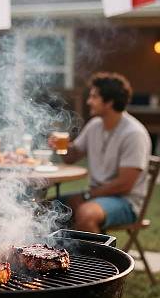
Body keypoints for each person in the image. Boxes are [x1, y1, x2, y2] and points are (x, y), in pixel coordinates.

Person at [50, 72, 151, 233]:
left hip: (125, 201)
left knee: (86, 213)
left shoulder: (134, 133)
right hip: (96, 195)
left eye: (94, 97)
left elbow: (125, 184)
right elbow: (71, 157)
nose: (89, 102)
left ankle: (97, 258)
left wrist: (87, 196)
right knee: (48, 207)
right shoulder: (95, 125)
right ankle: (56, 254)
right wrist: (61, 146)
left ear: (109, 102)